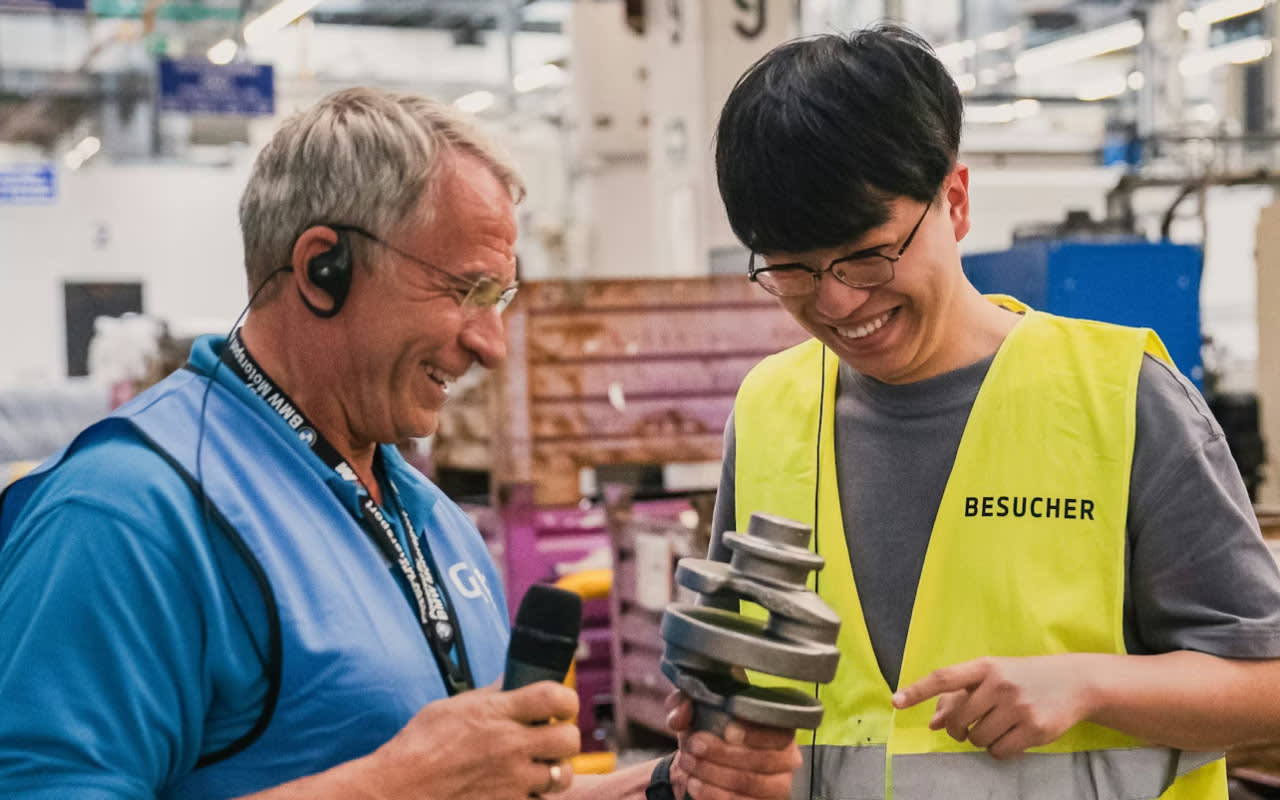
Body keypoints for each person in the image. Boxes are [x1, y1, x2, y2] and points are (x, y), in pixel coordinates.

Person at [0, 87, 800, 800]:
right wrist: (399, 784)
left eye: (500, 298)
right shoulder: (128, 515)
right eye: (465, 291)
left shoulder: (427, 517)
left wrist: (669, 785)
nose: (492, 344)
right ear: (324, 268)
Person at [709, 23, 1280, 800]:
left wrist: (1091, 685)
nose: (837, 302)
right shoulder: (769, 409)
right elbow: (738, 677)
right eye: (792, 270)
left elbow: (1265, 682)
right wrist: (721, 740)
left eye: (867, 255)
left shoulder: (1121, 399)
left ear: (955, 201)